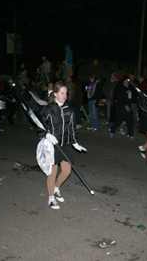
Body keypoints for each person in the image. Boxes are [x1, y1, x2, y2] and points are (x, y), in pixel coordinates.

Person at [38, 82, 87, 210]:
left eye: (66, 93)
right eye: (62, 93)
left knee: (67, 171)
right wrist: (47, 135)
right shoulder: (48, 109)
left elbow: (72, 128)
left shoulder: (69, 109)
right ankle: (50, 198)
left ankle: (56, 188)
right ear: (55, 94)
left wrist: (75, 142)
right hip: (52, 145)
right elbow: (40, 125)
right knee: (52, 173)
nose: (65, 96)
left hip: (64, 144)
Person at [109, 76, 137, 140]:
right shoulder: (120, 87)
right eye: (127, 80)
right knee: (119, 120)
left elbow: (131, 97)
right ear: (124, 80)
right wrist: (124, 104)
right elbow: (119, 97)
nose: (128, 81)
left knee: (130, 120)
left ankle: (130, 135)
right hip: (121, 106)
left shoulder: (129, 88)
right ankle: (111, 131)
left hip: (128, 106)